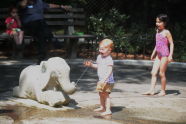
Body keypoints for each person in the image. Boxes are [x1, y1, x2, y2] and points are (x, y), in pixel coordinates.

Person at [142, 14, 174, 96]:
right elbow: (157, 44)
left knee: (161, 73)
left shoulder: (167, 32)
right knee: (153, 72)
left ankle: (163, 91)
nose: (157, 24)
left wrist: (170, 55)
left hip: (165, 55)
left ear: (164, 23)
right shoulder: (157, 31)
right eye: (156, 22)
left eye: (159, 22)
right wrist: (153, 53)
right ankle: (152, 90)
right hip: (158, 55)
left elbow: (171, 43)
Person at [84, 39, 115, 116]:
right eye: (99, 48)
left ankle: (108, 110)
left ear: (109, 50)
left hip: (108, 80)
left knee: (106, 94)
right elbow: (98, 66)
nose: (100, 50)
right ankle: (102, 107)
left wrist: (105, 79)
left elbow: (110, 70)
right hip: (101, 80)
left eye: (103, 49)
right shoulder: (99, 57)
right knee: (101, 93)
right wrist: (91, 65)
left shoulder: (109, 59)